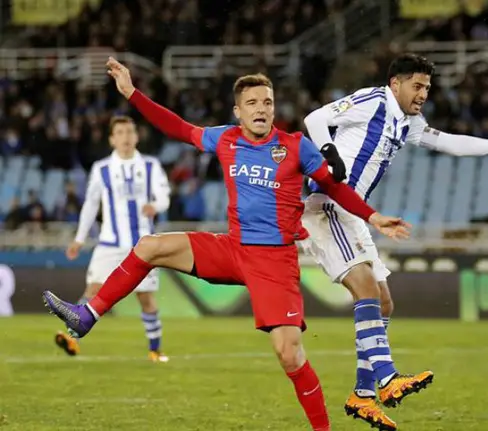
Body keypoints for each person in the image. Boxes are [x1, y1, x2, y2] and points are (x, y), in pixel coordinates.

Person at [43, 57, 411, 431]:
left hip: (275, 263)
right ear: (238, 112)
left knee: (289, 355)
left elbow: (334, 186)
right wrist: (133, 94)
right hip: (232, 250)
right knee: (150, 246)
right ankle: (87, 316)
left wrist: (374, 217)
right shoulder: (225, 138)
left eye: (267, 102)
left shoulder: (296, 146)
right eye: (252, 103)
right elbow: (178, 127)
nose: (261, 109)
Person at [301, 53, 488, 429]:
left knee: (384, 303)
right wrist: (328, 153)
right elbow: (314, 119)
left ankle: (363, 395)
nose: (423, 94)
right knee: (367, 290)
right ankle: (387, 378)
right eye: (417, 86)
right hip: (327, 205)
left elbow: (448, 142)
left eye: (427, 88)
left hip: (353, 213)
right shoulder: (373, 101)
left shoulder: (409, 122)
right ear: (396, 83)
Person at [56, 116, 172, 363]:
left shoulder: (150, 165)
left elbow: (164, 195)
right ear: (112, 139)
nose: (126, 137)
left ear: (137, 137)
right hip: (109, 243)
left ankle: (155, 349)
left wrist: (156, 205)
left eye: (130, 132)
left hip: (143, 244)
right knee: (93, 290)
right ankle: (71, 337)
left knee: (146, 298)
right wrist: (79, 239)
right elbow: (90, 204)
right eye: (120, 132)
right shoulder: (102, 169)